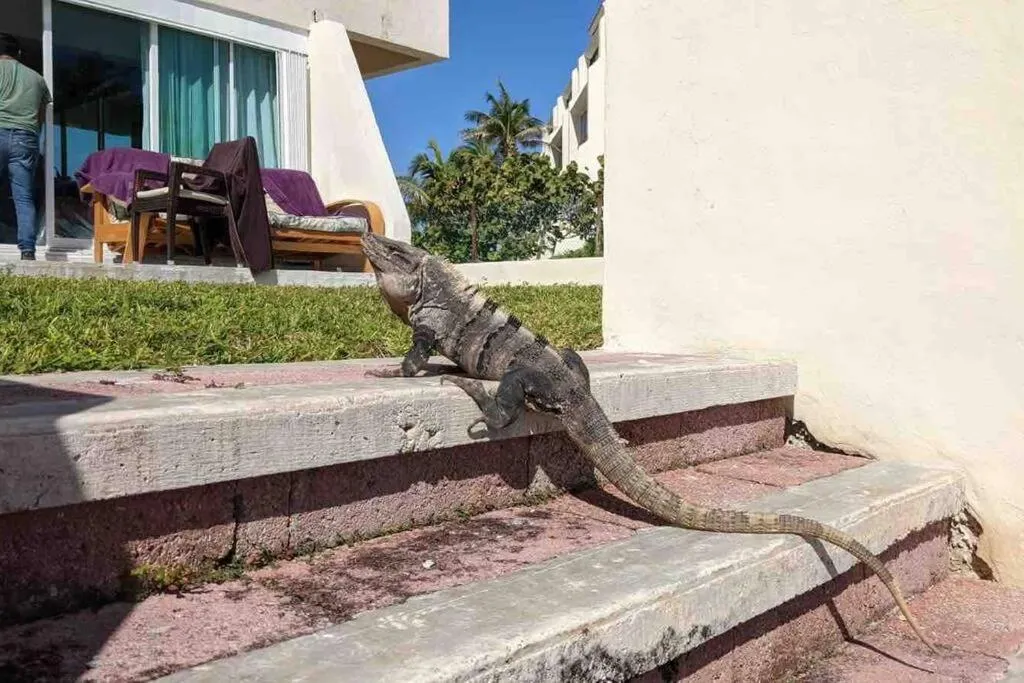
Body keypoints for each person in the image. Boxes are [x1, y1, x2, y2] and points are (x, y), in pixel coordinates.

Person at [0, 33, 50, 260]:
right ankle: (28, 250)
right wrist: (32, 132)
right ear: (18, 53)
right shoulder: (37, 79)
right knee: (23, 196)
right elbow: (41, 113)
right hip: (26, 137)